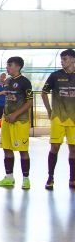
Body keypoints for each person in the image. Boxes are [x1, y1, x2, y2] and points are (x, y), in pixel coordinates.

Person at [0, 57, 33, 190]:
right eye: (7, 65)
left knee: (22, 150)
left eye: (9, 65)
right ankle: (9, 177)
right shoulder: (7, 81)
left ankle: (26, 179)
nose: (7, 68)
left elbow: (29, 102)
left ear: (18, 66)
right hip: (7, 121)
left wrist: (15, 114)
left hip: (20, 121)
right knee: (7, 149)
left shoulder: (25, 82)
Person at [42, 48, 75, 190]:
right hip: (58, 117)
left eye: (65, 59)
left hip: (73, 118)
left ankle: (72, 178)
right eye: (61, 59)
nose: (62, 62)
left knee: (73, 149)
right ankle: (50, 177)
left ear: (73, 59)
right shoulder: (55, 76)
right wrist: (49, 111)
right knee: (55, 147)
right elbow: (44, 93)